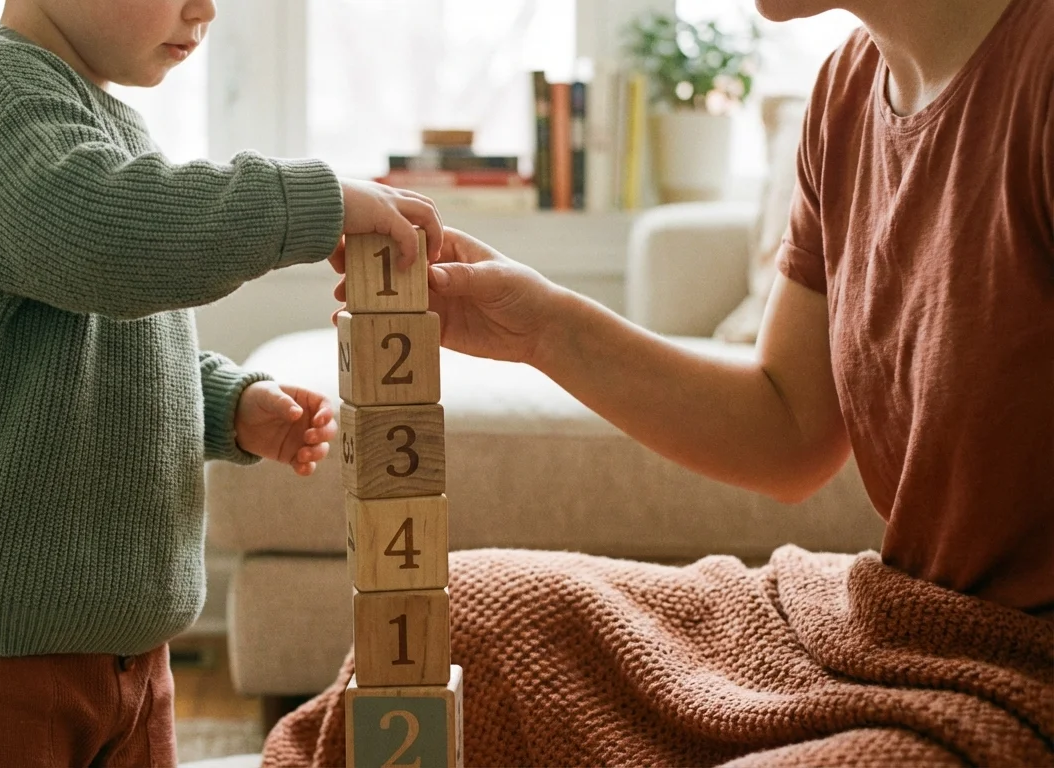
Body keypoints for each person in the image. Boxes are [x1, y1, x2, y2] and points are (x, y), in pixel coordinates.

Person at [278, 0, 1051, 762]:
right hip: (900, 623)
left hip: (1029, 664)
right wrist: (544, 326)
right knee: (472, 619)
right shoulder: (846, 92)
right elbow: (786, 430)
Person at [0, 0, 443, 765]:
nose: (206, 9)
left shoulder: (106, 122)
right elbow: (100, 240)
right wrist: (303, 203)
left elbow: (99, 349)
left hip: (125, 644)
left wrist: (223, 404)